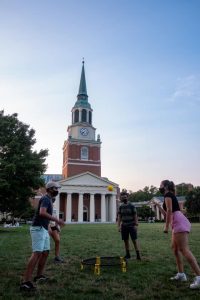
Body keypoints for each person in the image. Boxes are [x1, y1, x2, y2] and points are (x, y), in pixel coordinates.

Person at [154, 180, 200, 289]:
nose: (159, 187)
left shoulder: (168, 195)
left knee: (184, 250)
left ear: (165, 187)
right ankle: (181, 274)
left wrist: (166, 227)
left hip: (178, 222)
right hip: (176, 222)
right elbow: (167, 213)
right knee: (175, 249)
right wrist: (159, 206)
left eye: (160, 185)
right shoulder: (168, 196)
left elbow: (170, 211)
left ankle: (199, 277)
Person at [20, 181, 65, 292]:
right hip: (38, 228)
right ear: (50, 189)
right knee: (37, 253)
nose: (57, 191)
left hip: (44, 229)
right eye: (55, 189)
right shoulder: (45, 198)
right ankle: (26, 282)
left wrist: (51, 226)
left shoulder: (49, 199)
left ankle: (39, 276)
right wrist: (57, 220)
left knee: (45, 252)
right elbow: (42, 212)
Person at [117, 190, 141, 260]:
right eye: (122, 197)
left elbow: (135, 215)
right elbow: (119, 217)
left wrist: (136, 224)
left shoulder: (132, 205)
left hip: (132, 225)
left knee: (134, 240)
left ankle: (138, 255)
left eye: (125, 197)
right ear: (121, 198)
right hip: (124, 226)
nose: (124, 198)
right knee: (125, 241)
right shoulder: (121, 206)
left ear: (127, 197)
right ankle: (128, 254)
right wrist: (118, 226)